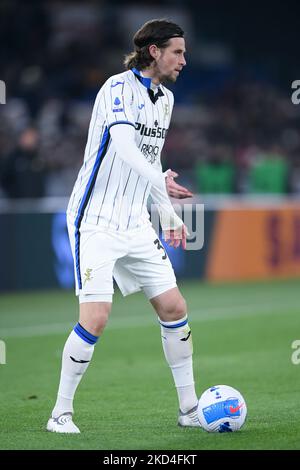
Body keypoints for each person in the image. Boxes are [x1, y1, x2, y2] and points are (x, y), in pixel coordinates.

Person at [47, 19, 200, 434]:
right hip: (94, 220)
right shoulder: (116, 88)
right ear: (154, 51)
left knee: (174, 308)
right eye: (178, 52)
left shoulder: (165, 100)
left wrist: (165, 211)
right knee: (95, 318)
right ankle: (60, 413)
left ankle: (189, 409)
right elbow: (126, 148)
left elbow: (149, 162)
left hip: (134, 221)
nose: (184, 60)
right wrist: (158, 181)